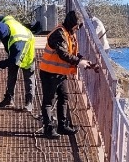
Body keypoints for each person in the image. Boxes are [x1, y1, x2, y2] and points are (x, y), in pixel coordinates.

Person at [37, 8, 94, 139]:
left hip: (59, 73)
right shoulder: (59, 33)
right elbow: (63, 53)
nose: (78, 29)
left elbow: (71, 52)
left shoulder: (67, 33)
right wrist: (79, 62)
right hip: (49, 72)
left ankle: (62, 126)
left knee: (64, 97)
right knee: (48, 101)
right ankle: (48, 128)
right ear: (74, 24)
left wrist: (82, 59)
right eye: (78, 26)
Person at [0, 14, 37, 110]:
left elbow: (13, 60)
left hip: (26, 49)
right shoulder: (5, 20)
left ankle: (29, 103)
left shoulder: (17, 43)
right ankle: (8, 99)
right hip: (15, 51)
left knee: (28, 77)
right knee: (11, 74)